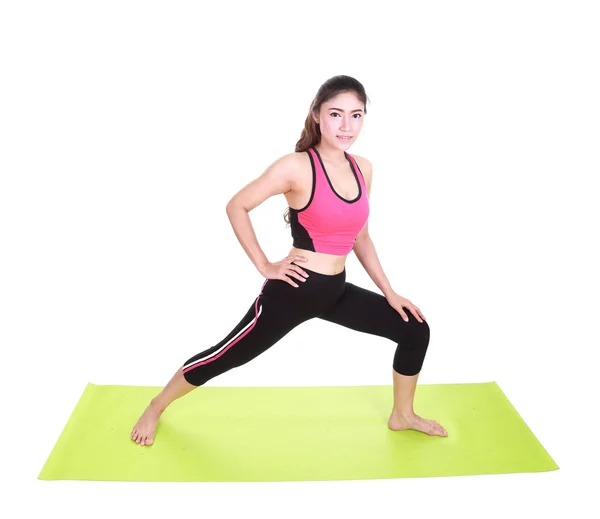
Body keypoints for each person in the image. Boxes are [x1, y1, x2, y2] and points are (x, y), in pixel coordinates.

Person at [131, 75, 448, 446]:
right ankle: (155, 406)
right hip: (294, 291)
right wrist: (265, 265)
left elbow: (360, 235)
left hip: (335, 290)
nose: (346, 126)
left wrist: (390, 292)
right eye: (335, 114)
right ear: (316, 115)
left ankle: (403, 414)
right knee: (225, 356)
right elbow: (237, 205)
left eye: (356, 115)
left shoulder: (363, 168)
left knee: (414, 329)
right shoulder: (296, 166)